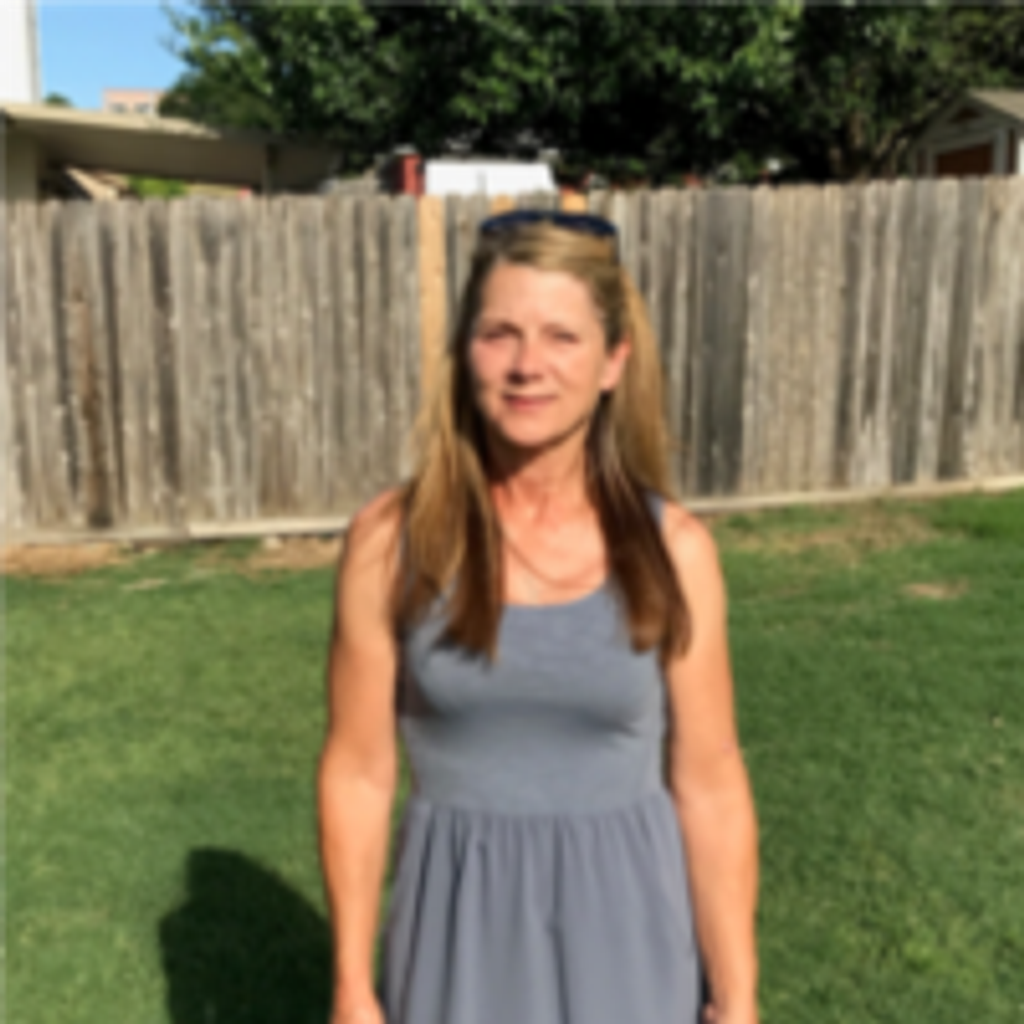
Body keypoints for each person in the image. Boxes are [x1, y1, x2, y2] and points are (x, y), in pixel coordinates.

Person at [318, 209, 760, 1024]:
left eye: (562, 337)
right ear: (464, 352)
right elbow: (358, 771)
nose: (528, 366)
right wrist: (351, 984)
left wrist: (737, 997)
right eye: (500, 334)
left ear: (612, 361)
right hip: (458, 937)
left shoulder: (676, 551)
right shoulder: (392, 543)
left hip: (630, 937)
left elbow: (710, 781)